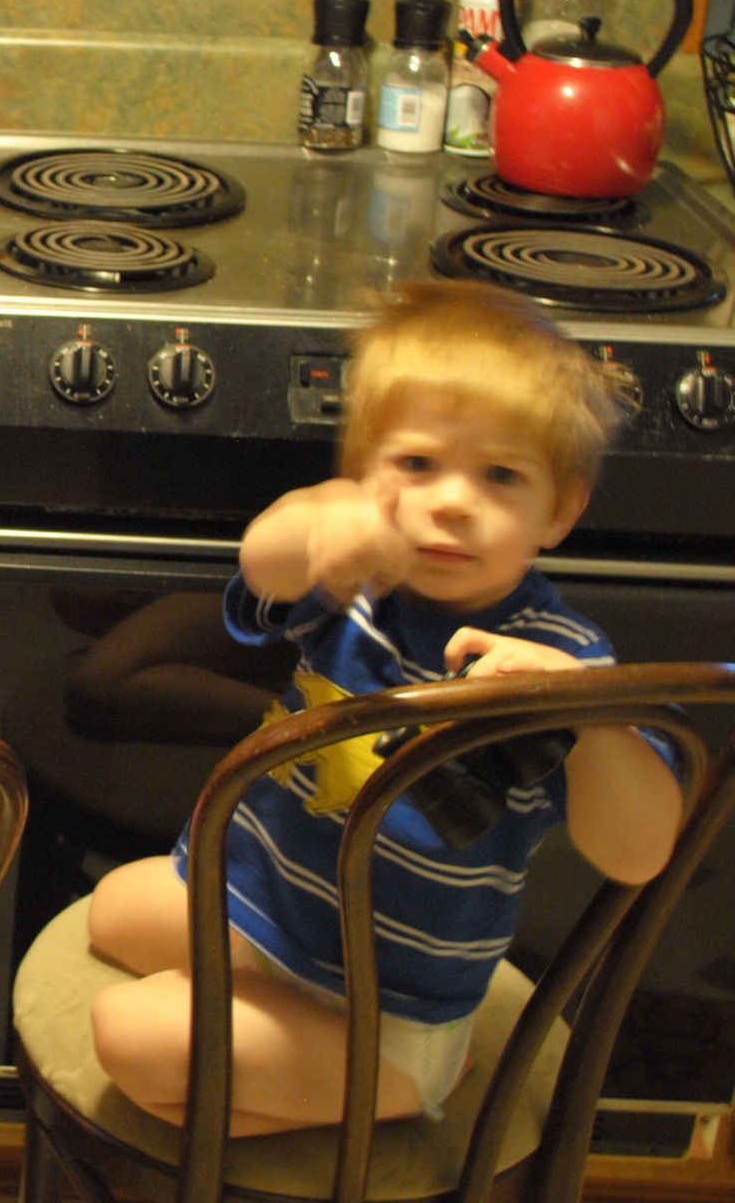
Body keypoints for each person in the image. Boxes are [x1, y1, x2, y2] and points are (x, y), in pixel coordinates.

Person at [83, 280, 681, 1135]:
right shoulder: (355, 572)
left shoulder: (557, 655)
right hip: (269, 914)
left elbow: (640, 852)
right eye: (417, 465)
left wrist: (585, 714)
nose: (451, 500)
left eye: (501, 475)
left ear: (560, 509)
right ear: (367, 474)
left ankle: (402, 1087)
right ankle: (273, 1023)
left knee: (126, 1035)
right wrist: (319, 520)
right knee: (112, 910)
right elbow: (266, 561)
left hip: (386, 1005)